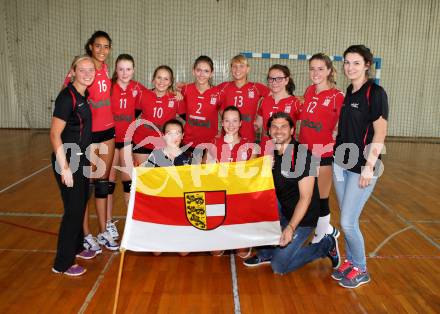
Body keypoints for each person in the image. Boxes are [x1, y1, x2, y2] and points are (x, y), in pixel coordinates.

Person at [243, 112, 340, 275]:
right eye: (274, 127)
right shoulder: (272, 155)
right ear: (268, 131)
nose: (278, 130)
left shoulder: (302, 156)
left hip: (303, 218)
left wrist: (290, 228)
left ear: (292, 130)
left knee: (279, 266)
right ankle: (266, 253)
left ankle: (326, 246)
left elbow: (306, 198)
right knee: (258, 201)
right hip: (285, 210)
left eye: (283, 127)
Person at [332, 45, 388, 288]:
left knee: (347, 221)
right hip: (341, 163)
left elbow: (380, 131)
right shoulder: (350, 91)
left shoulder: (375, 92)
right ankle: (351, 262)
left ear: (367, 64)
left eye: (356, 63)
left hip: (362, 166)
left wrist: (369, 167)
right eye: (346, 62)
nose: (350, 67)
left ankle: (362, 269)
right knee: (347, 216)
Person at [65, 31, 118, 252]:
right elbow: (66, 98)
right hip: (88, 135)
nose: (102, 50)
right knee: (85, 186)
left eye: (106, 46)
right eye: (98, 46)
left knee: (103, 184)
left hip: (108, 131)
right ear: (90, 46)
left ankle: (104, 230)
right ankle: (86, 234)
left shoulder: (106, 69)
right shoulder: (82, 69)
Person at [50, 55, 96, 276]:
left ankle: (77, 247)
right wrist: (65, 167)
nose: (88, 74)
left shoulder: (82, 95)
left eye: (91, 70)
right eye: (83, 70)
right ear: (73, 71)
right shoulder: (66, 98)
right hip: (68, 159)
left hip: (81, 157)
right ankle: (62, 263)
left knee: (80, 203)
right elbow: (54, 134)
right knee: (74, 210)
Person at [298, 53, 345, 243]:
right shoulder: (309, 90)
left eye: (320, 69)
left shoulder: (337, 96)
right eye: (312, 68)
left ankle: (320, 240)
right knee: (304, 196)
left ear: (329, 71)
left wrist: (336, 135)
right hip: (303, 150)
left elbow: (344, 123)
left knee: (321, 198)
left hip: (323, 153)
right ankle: (328, 230)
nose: (315, 72)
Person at [205, 106, 256, 258]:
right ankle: (220, 230)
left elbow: (252, 176)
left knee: (242, 252)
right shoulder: (214, 142)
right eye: (227, 120)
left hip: (240, 198)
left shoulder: (249, 146)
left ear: (241, 123)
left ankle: (242, 231)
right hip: (219, 198)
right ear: (222, 123)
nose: (231, 124)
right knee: (215, 252)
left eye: (235, 121)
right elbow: (205, 173)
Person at [107, 54, 145, 241]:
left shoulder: (137, 88)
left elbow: (157, 93)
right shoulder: (108, 87)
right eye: (121, 69)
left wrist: (176, 90)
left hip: (128, 140)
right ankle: (107, 223)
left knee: (129, 182)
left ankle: (131, 222)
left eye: (128, 69)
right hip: (109, 140)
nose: (124, 73)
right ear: (115, 69)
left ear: (134, 70)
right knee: (108, 182)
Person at [144, 119, 191, 256]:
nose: (174, 137)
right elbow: (146, 179)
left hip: (178, 209)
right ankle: (158, 232)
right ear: (163, 136)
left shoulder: (186, 158)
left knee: (184, 253)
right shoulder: (155, 155)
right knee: (156, 252)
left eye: (177, 133)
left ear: (182, 136)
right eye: (170, 133)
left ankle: (179, 232)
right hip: (160, 209)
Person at [132, 65, 182, 166]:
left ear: (170, 82)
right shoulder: (143, 95)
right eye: (159, 77)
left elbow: (189, 119)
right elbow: (133, 116)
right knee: (143, 176)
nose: (161, 82)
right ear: (153, 79)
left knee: (161, 178)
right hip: (142, 141)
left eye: (166, 79)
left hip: (164, 145)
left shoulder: (176, 99)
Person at [217, 55, 270, 143]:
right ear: (231, 69)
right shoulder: (224, 86)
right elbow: (208, 94)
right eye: (234, 66)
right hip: (228, 136)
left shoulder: (256, 87)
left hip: (248, 136)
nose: (238, 70)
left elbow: (275, 95)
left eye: (241, 66)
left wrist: (260, 116)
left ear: (248, 69)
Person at [180, 56, 221, 162]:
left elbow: (225, 115)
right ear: (193, 71)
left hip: (210, 144)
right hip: (189, 143)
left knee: (206, 177)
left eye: (206, 71)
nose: (202, 74)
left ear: (211, 74)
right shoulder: (185, 90)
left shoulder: (218, 93)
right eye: (199, 70)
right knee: (190, 177)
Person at [255, 64, 301, 144]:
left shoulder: (296, 102)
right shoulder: (264, 101)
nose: (274, 82)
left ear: (286, 80)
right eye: (271, 79)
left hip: (286, 152)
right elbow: (258, 125)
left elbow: (306, 127)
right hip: (266, 150)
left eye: (279, 79)